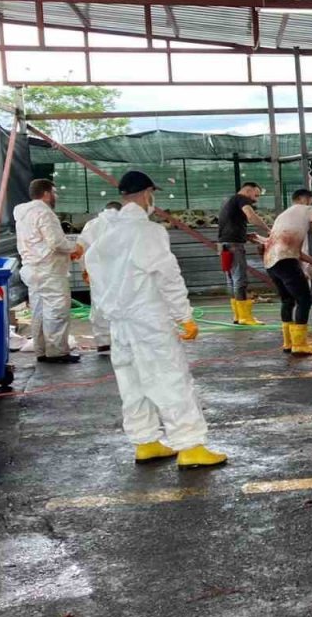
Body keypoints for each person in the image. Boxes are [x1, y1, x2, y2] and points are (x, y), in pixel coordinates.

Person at [84, 171, 224, 469]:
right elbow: (168, 277)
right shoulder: (148, 232)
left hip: (119, 325)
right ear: (147, 194)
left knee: (132, 384)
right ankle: (190, 446)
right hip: (149, 320)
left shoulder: (104, 236)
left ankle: (146, 442)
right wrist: (184, 317)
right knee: (170, 379)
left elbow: (94, 277)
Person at [14, 178, 82, 364]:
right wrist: (75, 248)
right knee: (56, 311)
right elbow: (56, 242)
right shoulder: (45, 213)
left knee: (39, 311)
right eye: (54, 192)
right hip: (49, 271)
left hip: (31, 269)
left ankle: (41, 350)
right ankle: (57, 352)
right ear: (46, 193)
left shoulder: (22, 214)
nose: (56, 196)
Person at [262, 188, 312, 356]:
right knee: (304, 300)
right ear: (304, 199)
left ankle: (288, 343)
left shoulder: (283, 216)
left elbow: (294, 250)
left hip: (270, 261)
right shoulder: (307, 210)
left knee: (287, 300)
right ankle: (300, 345)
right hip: (285, 260)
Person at [218, 181, 271, 326]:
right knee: (240, 280)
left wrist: (245, 236)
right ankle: (245, 317)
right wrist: (268, 229)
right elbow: (251, 216)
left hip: (224, 245)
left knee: (231, 280)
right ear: (248, 190)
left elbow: (230, 225)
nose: (256, 199)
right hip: (234, 246)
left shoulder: (228, 201)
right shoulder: (241, 199)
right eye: (256, 195)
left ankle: (237, 315)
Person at [77, 200, 120, 353]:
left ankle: (103, 341)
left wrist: (84, 270)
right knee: (123, 304)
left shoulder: (92, 225)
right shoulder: (126, 224)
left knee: (99, 305)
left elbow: (81, 248)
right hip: (121, 273)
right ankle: (122, 340)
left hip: (97, 272)